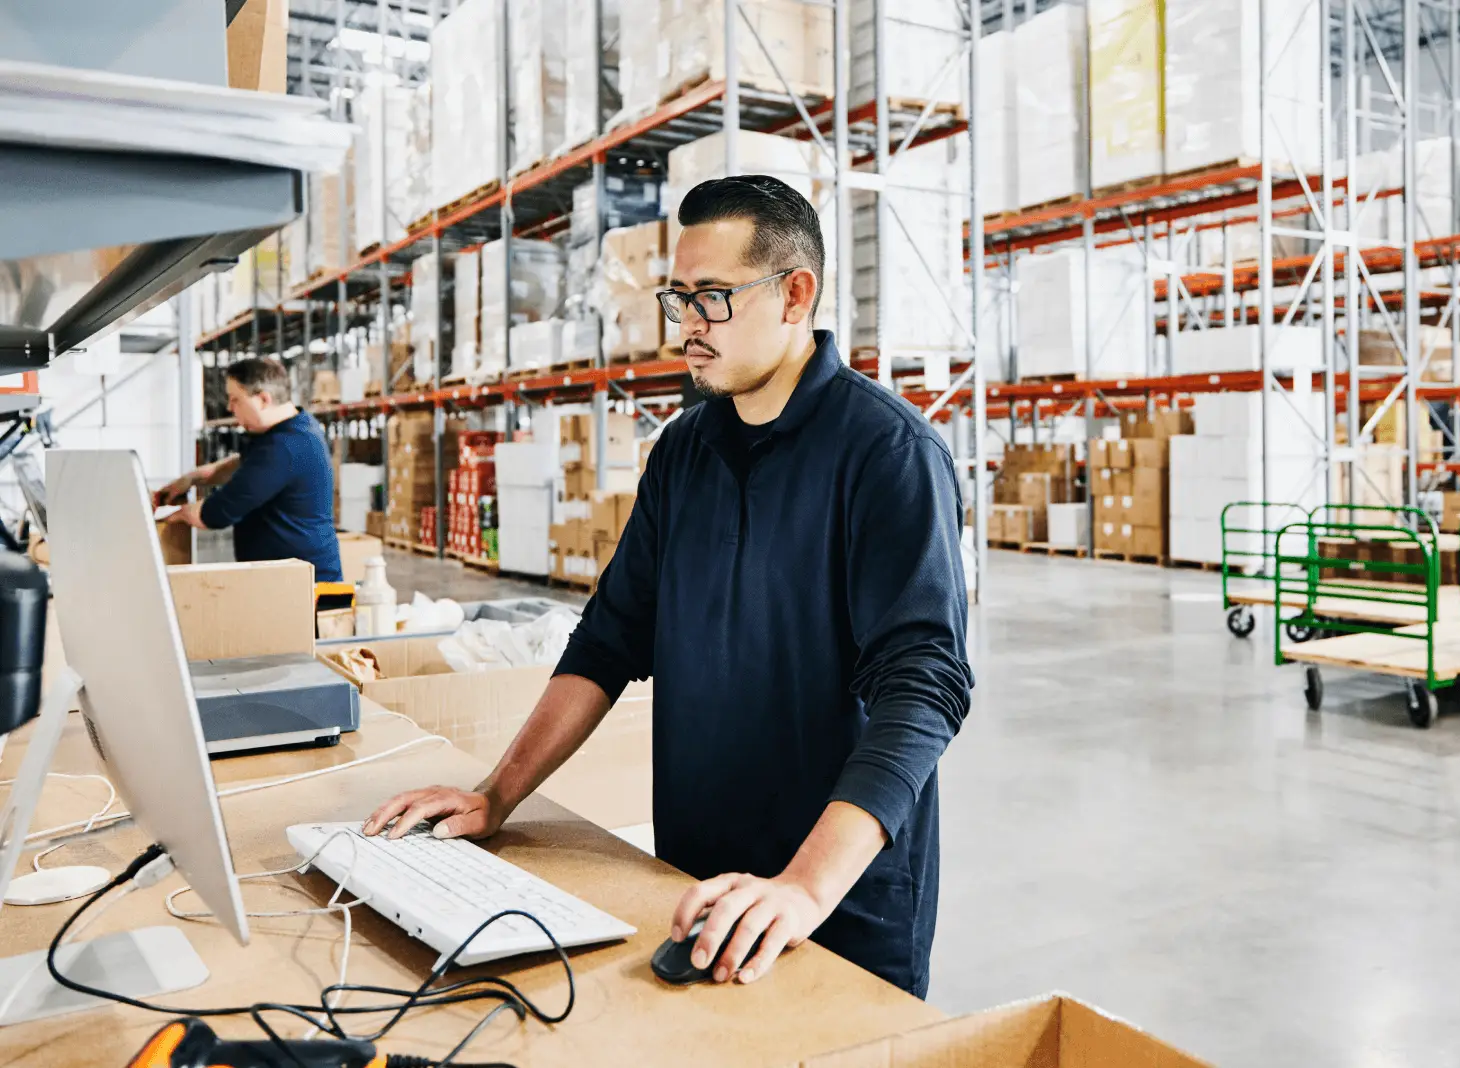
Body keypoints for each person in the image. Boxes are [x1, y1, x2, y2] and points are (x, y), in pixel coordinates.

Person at [364, 174, 973, 997]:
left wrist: (804, 887)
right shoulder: (683, 453)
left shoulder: (888, 456)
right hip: (690, 883)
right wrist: (495, 797)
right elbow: (610, 637)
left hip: (834, 903)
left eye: (713, 299)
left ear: (797, 295)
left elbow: (923, 688)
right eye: (678, 298)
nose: (687, 326)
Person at [154, 357, 342, 582]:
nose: (230, 408)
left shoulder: (284, 448)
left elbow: (214, 513)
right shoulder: (295, 427)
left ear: (263, 399)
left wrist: (176, 515)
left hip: (304, 586)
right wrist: (191, 479)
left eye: (236, 400)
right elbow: (244, 463)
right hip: (288, 579)